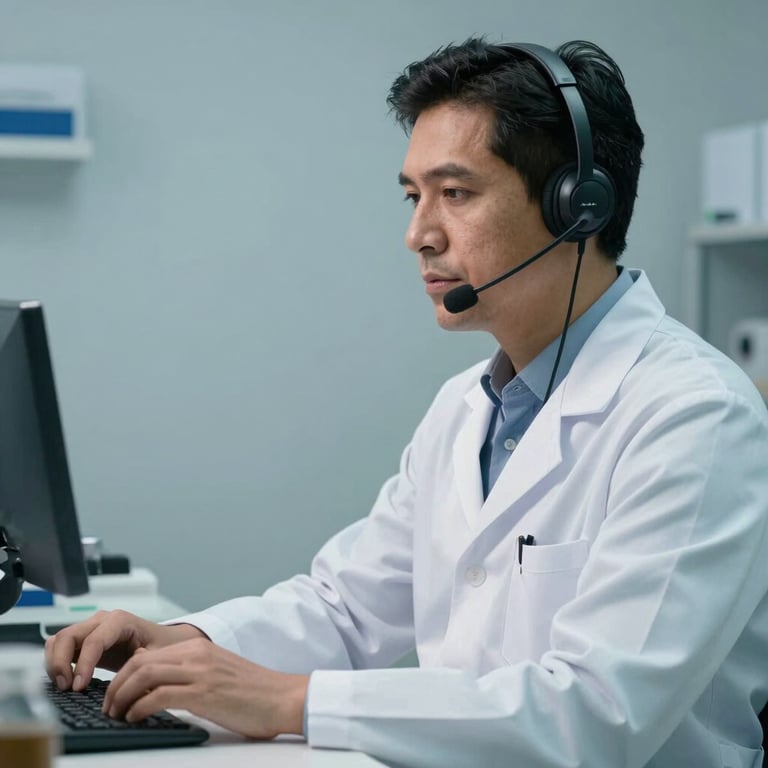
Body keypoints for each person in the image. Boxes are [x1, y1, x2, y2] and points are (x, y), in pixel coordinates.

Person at [46, 38, 768, 768]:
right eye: (413, 196)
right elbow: (347, 609)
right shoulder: (467, 407)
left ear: (578, 207)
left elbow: (597, 713)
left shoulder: (695, 417)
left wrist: (291, 701)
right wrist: (185, 644)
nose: (418, 234)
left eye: (454, 193)